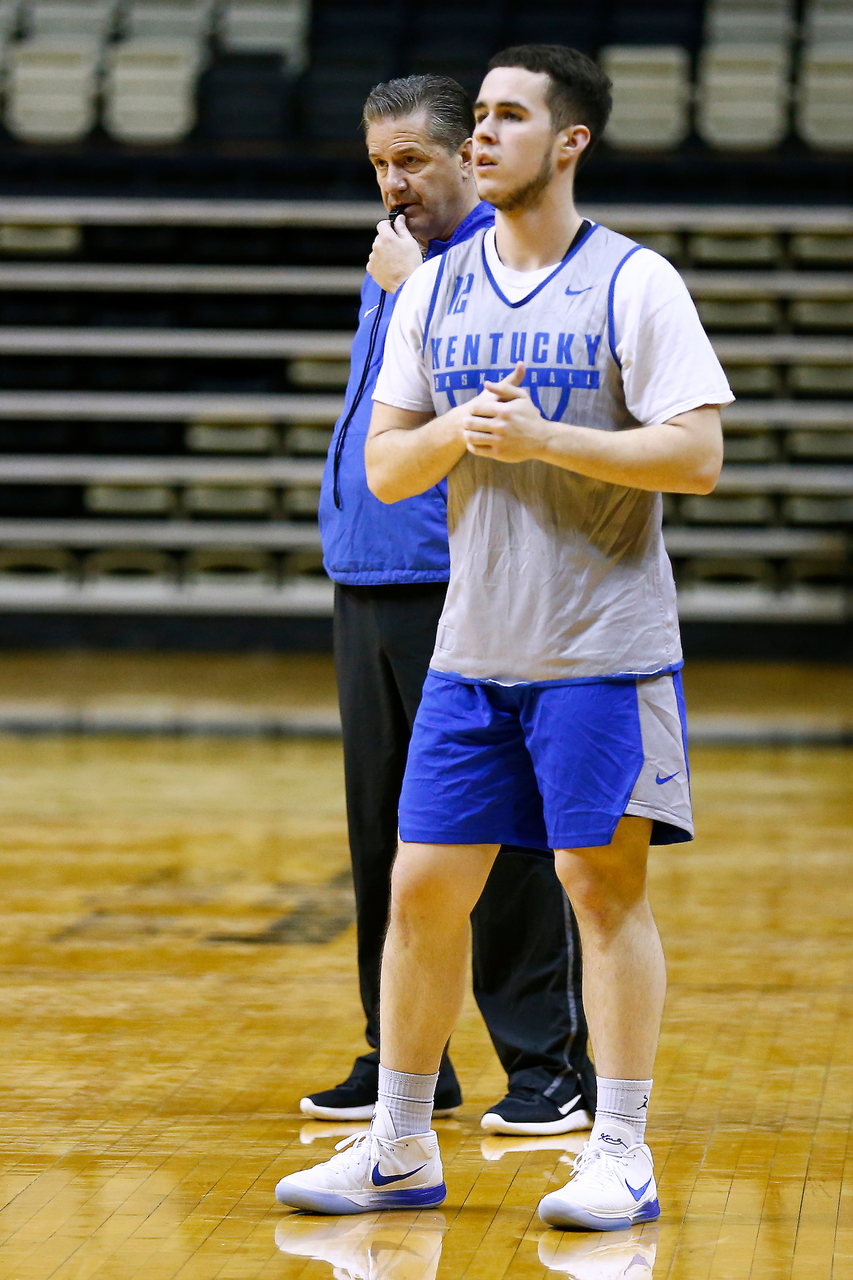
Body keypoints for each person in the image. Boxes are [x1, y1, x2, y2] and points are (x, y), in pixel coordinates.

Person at [276, 43, 735, 1230]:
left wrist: (549, 442)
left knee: (598, 889)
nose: (481, 135)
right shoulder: (432, 285)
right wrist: (464, 432)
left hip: (600, 646)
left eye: (507, 116)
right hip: (469, 653)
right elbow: (386, 465)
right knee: (420, 890)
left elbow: (696, 455)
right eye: (473, 115)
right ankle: (395, 1144)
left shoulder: (634, 283)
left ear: (567, 140)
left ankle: (618, 1143)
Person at [308, 73, 596, 1136]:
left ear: (466, 159)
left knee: (502, 831)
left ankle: (547, 1066)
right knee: (385, 833)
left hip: (465, 584)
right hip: (369, 578)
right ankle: (404, 1056)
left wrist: (409, 281)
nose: (392, 183)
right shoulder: (403, 259)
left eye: (413, 161)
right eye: (379, 163)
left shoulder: (483, 267)